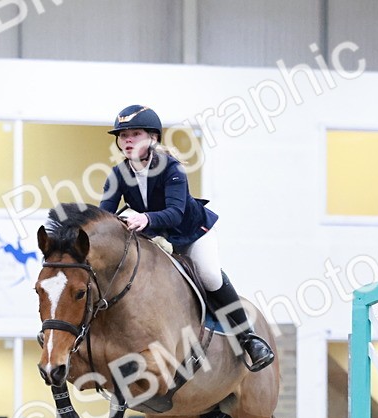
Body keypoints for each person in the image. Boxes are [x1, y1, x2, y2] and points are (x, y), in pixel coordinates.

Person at [98, 104, 274, 372]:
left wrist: (145, 219)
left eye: (135, 133)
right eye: (123, 136)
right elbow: (104, 215)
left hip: (191, 233)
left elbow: (175, 213)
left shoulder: (172, 168)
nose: (128, 140)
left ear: (153, 138)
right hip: (157, 238)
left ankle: (248, 338)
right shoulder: (118, 174)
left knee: (210, 275)